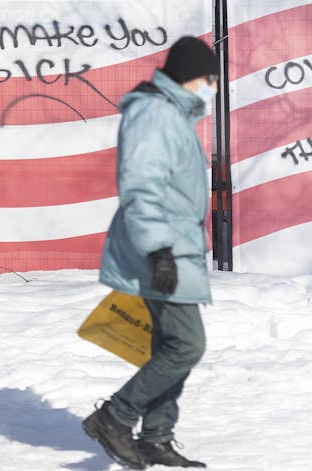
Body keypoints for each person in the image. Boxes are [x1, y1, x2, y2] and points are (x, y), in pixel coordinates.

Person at [82, 36, 218, 470]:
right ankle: (115, 417)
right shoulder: (157, 114)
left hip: (175, 246)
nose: (212, 87)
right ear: (191, 77)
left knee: (168, 342)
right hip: (161, 248)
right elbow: (141, 185)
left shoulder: (173, 114)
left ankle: (155, 437)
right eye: (209, 79)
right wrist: (158, 249)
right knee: (187, 344)